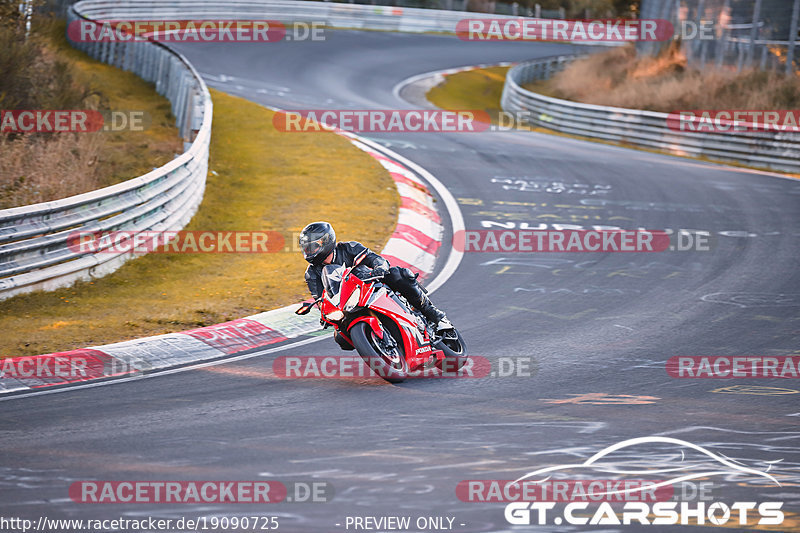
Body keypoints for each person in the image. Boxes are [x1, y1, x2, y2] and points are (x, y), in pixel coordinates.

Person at [298, 221, 453, 337]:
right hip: (346, 304)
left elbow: (374, 259)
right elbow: (321, 301)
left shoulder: (348, 248)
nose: (309, 251)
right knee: (340, 337)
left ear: (326, 241)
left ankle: (436, 317)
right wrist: (324, 315)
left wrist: (379, 268)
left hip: (370, 286)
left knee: (399, 275)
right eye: (306, 248)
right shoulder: (311, 274)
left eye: (313, 246)